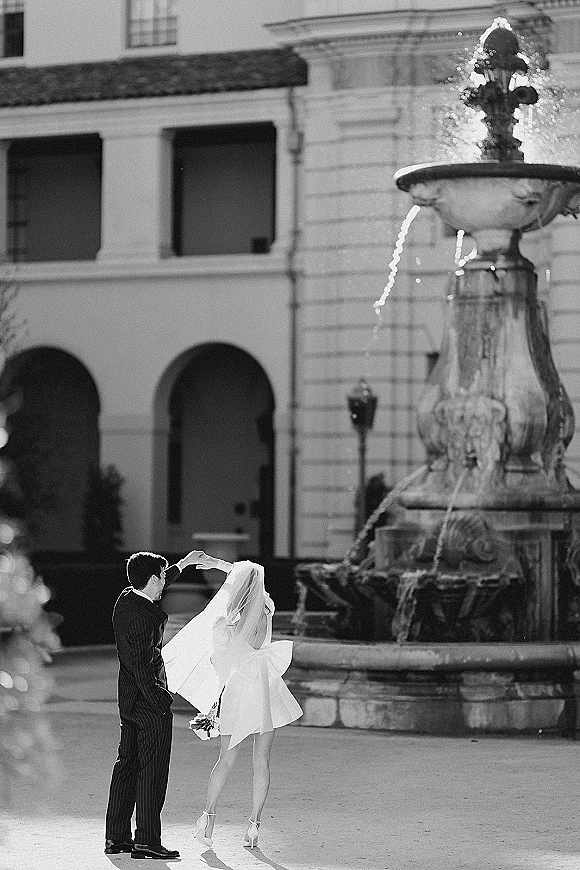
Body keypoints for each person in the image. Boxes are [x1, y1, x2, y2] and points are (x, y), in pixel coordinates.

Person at [162, 556, 303, 850]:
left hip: (239, 687)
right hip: (264, 686)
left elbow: (221, 664)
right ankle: (254, 825)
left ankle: (207, 818)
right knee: (261, 761)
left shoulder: (223, 623)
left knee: (225, 759)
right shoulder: (266, 607)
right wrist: (219, 563)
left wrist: (215, 564)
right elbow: (251, 577)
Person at [104, 548, 213, 860]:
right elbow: (141, 666)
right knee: (152, 773)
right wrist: (162, 700)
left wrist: (184, 564)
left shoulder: (127, 597)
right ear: (152, 579)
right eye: (163, 576)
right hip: (147, 705)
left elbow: (154, 580)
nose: (166, 581)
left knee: (126, 766)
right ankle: (147, 842)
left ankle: (117, 839)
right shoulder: (141, 618)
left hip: (128, 702)